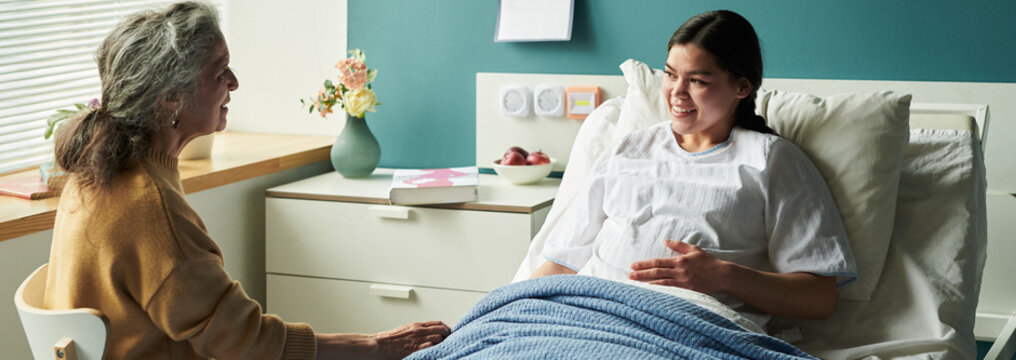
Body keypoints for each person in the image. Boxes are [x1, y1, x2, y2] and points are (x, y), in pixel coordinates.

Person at [44, 2, 449, 359]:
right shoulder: (150, 207)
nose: (234, 82)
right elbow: (247, 344)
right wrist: (373, 347)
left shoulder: (95, 174)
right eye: (219, 72)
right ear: (171, 97)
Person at [531, 10, 857, 332]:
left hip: (689, 329)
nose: (677, 91)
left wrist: (721, 275)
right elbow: (562, 261)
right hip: (589, 315)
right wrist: (511, 307)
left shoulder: (771, 160)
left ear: (742, 87)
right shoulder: (628, 149)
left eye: (697, 80)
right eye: (671, 74)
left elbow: (819, 299)